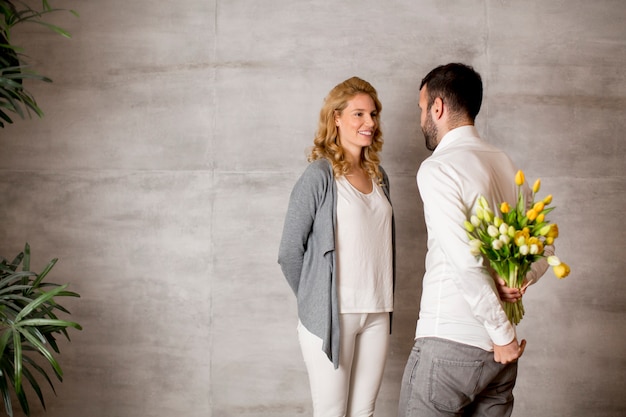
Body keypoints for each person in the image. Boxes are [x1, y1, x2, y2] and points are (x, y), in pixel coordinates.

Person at [398, 63, 551, 417]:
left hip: (450, 344)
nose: (421, 118)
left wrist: (503, 335)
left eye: (422, 109)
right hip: (498, 360)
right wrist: (517, 280)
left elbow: (465, 260)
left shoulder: (438, 168)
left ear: (438, 107)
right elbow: (545, 247)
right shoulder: (505, 164)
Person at [278, 76, 395, 417]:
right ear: (336, 118)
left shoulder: (380, 176)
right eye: (358, 114)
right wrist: (316, 298)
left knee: (364, 412)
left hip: (377, 310)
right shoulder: (320, 175)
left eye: (373, 114)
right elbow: (289, 251)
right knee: (331, 412)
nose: (369, 123)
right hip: (332, 315)